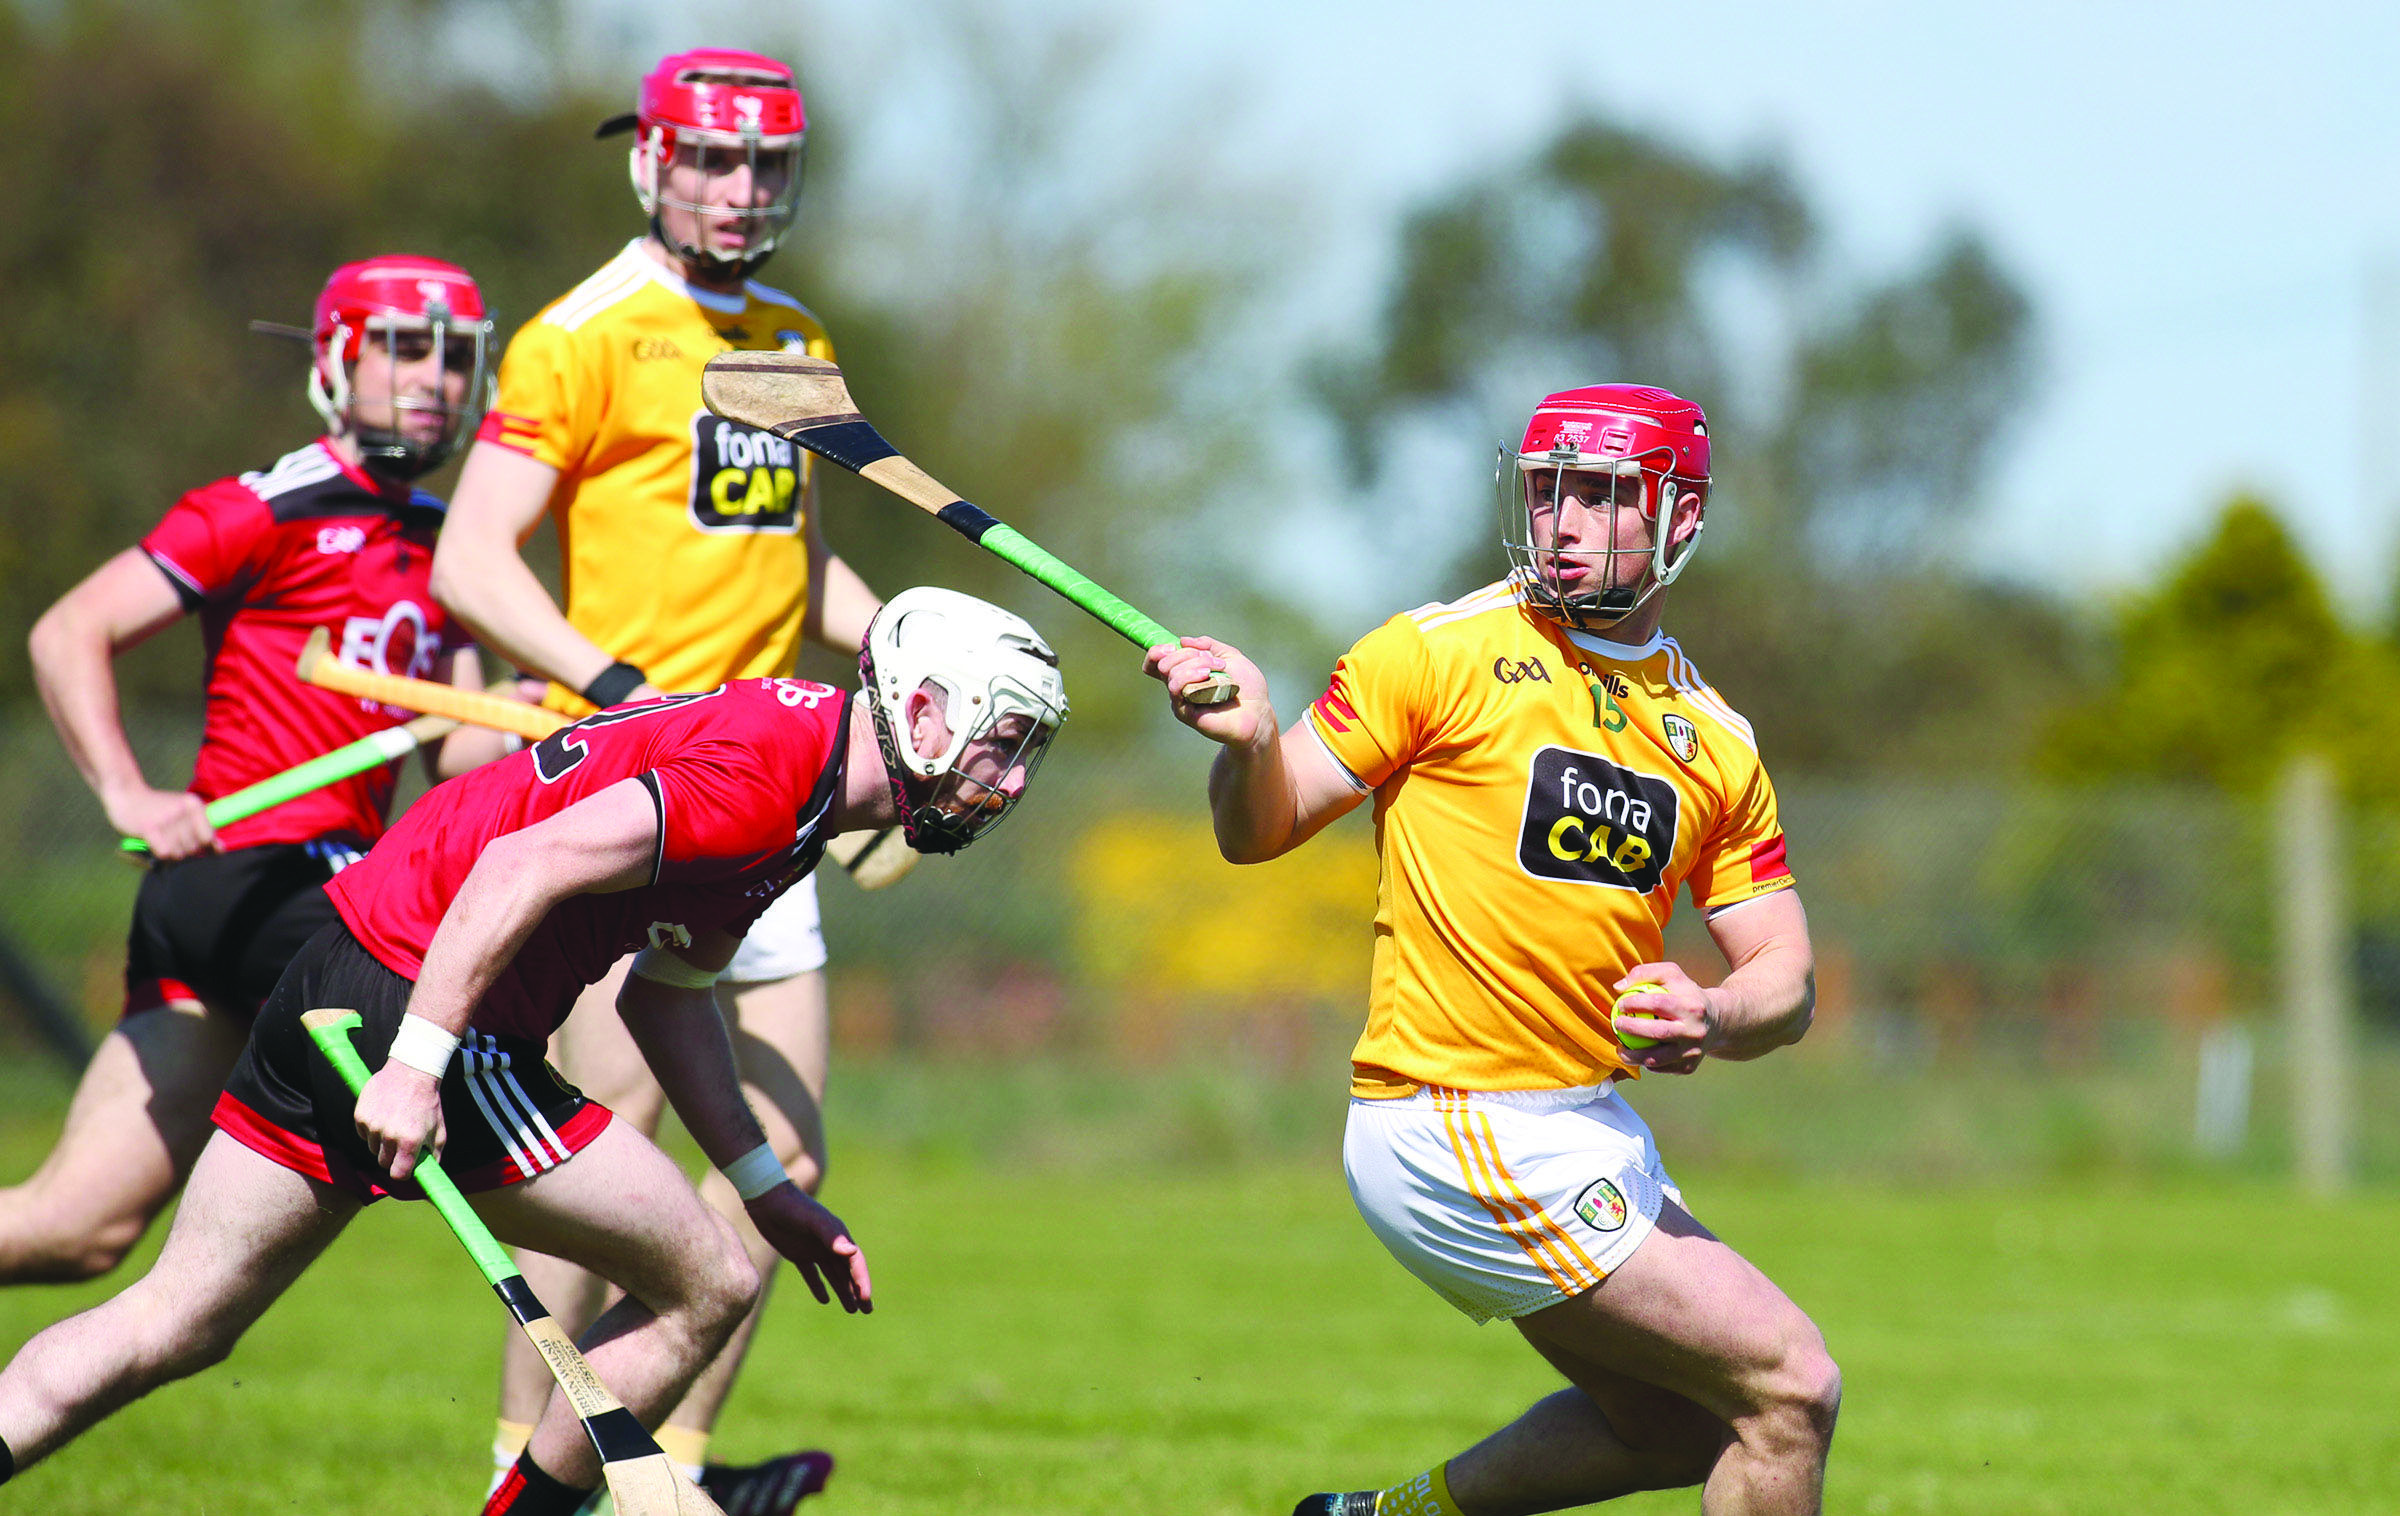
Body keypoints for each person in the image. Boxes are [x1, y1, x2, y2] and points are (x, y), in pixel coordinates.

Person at [0, 587, 1069, 1515]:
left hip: (335, 977)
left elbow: (671, 997)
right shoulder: (769, 771)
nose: (1012, 782)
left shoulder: (808, 785)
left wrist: (765, 1183)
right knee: (708, 1283)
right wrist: (418, 1066)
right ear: (924, 710)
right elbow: (520, 866)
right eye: (1003, 741)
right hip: (429, 1007)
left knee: (177, 1320)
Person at [1147, 386, 1840, 1516]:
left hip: (1583, 1124)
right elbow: (1259, 826)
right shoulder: (1436, 653)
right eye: (1550, 488)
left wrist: (1713, 1013)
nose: (1565, 518)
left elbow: (1790, 980)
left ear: (1680, 521)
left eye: (1606, 493)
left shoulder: (1716, 740)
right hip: (1454, 1113)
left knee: (1679, 1425)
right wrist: (1248, 744)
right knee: (1791, 1385)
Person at [428, 49, 879, 1508]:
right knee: (598, 1171)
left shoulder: (797, 343)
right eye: (710, 162)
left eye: (762, 167)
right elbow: (471, 560)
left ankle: (664, 1470)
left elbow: (800, 575)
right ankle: (530, 1467)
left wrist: (940, 660)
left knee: (780, 1160)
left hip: (776, 803)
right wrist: (622, 691)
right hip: (637, 799)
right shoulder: (586, 334)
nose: (738, 192)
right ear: (652, 164)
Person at [5, 256, 512, 1286]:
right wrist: (126, 789)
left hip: (302, 900)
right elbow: (69, 631)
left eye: (453, 358)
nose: (432, 379)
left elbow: (461, 754)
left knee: (77, 1228)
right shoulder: (268, 505)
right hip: (250, 874)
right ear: (336, 361)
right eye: (403, 349)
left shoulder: (443, 548)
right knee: (459, 1027)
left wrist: (537, 723)